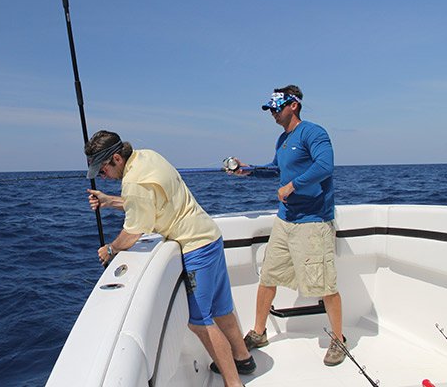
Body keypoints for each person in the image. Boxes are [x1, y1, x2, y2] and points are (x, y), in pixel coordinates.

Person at [85, 130, 254, 387]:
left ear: (117, 158)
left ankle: (234, 384)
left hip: (195, 249)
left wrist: (110, 250)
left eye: (102, 170)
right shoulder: (147, 156)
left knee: (200, 323)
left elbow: (132, 233)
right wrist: (111, 201)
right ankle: (243, 359)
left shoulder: (133, 182)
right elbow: (147, 201)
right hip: (210, 237)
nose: (102, 176)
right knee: (221, 309)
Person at [231, 85, 345, 366]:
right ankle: (259, 333)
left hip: (313, 221)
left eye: (276, 107)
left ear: (293, 105)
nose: (272, 112)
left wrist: (293, 186)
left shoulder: (313, 133)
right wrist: (249, 171)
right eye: (270, 108)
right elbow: (276, 170)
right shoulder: (282, 140)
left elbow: (325, 166)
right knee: (268, 277)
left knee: (325, 284)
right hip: (285, 220)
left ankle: (338, 339)